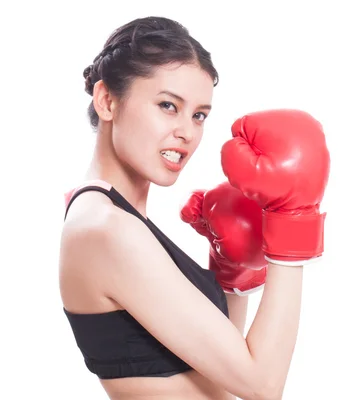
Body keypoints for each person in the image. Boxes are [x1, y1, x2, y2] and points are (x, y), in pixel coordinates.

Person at [58, 16, 330, 400]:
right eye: (168, 105)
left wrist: (235, 276)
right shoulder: (105, 228)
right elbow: (263, 385)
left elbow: (221, 377)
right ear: (107, 101)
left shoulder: (115, 219)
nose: (187, 132)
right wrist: (292, 219)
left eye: (199, 114)